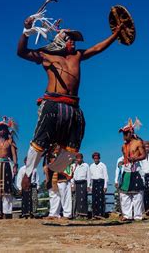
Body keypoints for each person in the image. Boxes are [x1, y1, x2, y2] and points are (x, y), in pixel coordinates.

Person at [17, 14, 124, 189]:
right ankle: (28, 175)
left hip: (73, 107)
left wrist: (116, 34)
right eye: (70, 39)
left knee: (73, 145)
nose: (73, 43)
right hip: (53, 104)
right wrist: (26, 31)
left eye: (74, 40)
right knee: (40, 141)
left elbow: (97, 48)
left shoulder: (77, 56)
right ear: (60, 39)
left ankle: (54, 169)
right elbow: (21, 52)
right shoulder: (46, 55)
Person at [0, 115, 18, 219]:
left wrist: (15, 166)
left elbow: (14, 155)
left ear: (6, 130)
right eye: (0, 129)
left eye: (4, 129)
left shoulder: (10, 142)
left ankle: (7, 212)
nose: (2, 131)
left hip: (6, 166)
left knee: (7, 190)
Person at [118, 118, 146, 221]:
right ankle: (127, 215)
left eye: (126, 133)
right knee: (124, 193)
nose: (124, 136)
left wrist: (135, 158)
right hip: (126, 170)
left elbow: (144, 155)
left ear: (131, 133)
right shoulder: (123, 146)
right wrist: (123, 162)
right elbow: (125, 157)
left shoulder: (138, 143)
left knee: (137, 194)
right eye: (123, 134)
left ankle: (138, 216)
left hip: (135, 170)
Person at [45, 153, 73, 219]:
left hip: (62, 180)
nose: (52, 159)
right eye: (51, 158)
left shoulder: (64, 159)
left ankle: (67, 215)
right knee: (54, 198)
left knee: (65, 197)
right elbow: (47, 174)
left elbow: (69, 169)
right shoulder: (48, 165)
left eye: (53, 158)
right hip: (52, 182)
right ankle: (54, 214)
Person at [89, 152, 108, 219]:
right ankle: (94, 214)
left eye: (97, 158)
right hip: (94, 182)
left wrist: (105, 186)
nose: (96, 159)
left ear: (99, 158)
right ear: (93, 159)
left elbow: (106, 176)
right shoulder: (91, 166)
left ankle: (101, 214)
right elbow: (90, 177)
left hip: (101, 182)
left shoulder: (103, 165)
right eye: (94, 158)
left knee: (101, 198)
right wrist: (90, 186)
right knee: (94, 199)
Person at [70, 153, 90, 218]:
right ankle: (77, 213)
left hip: (84, 183)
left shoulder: (86, 165)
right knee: (77, 199)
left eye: (80, 158)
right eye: (77, 158)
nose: (78, 159)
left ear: (82, 158)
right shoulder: (73, 166)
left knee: (84, 198)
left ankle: (84, 214)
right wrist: (72, 184)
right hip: (76, 183)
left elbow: (88, 176)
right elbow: (72, 176)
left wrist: (89, 186)